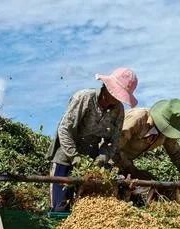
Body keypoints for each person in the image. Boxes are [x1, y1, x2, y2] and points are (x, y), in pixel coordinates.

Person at [47, 67, 138, 212]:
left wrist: (102, 157)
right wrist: (74, 156)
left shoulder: (118, 110)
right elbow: (64, 129)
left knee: (85, 208)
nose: (116, 99)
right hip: (66, 155)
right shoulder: (84, 98)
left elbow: (113, 141)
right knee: (60, 207)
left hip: (91, 160)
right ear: (107, 87)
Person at [115, 98, 180, 181]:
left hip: (125, 162)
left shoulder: (167, 134)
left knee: (153, 183)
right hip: (109, 158)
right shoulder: (138, 119)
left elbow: (175, 153)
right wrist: (131, 169)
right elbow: (113, 147)